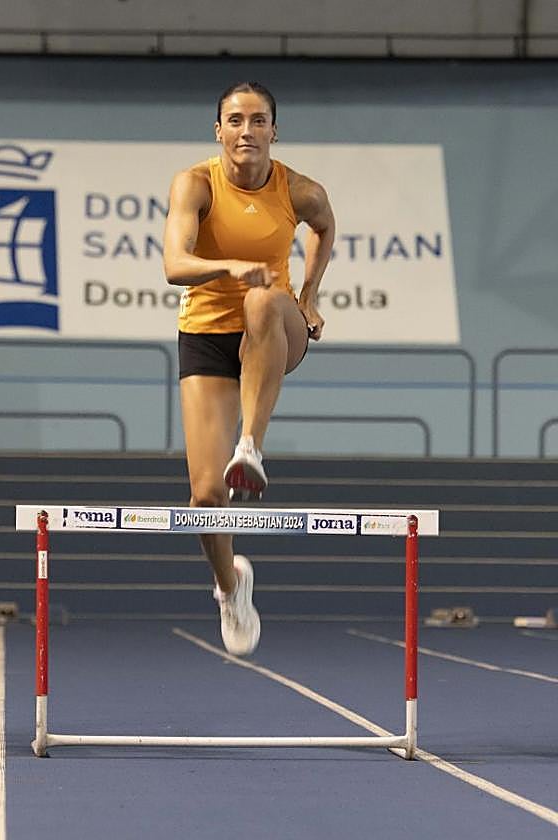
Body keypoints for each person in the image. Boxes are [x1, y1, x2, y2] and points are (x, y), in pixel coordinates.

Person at [162, 82, 335, 655]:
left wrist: (307, 294)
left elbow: (324, 228)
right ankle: (230, 586)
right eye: (235, 121)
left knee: (262, 301)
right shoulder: (195, 184)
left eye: (257, 121)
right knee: (205, 498)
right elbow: (174, 264)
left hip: (274, 330)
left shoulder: (301, 191)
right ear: (219, 131)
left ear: (273, 131)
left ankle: (251, 447)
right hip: (208, 336)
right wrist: (231, 266)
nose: (246, 131)